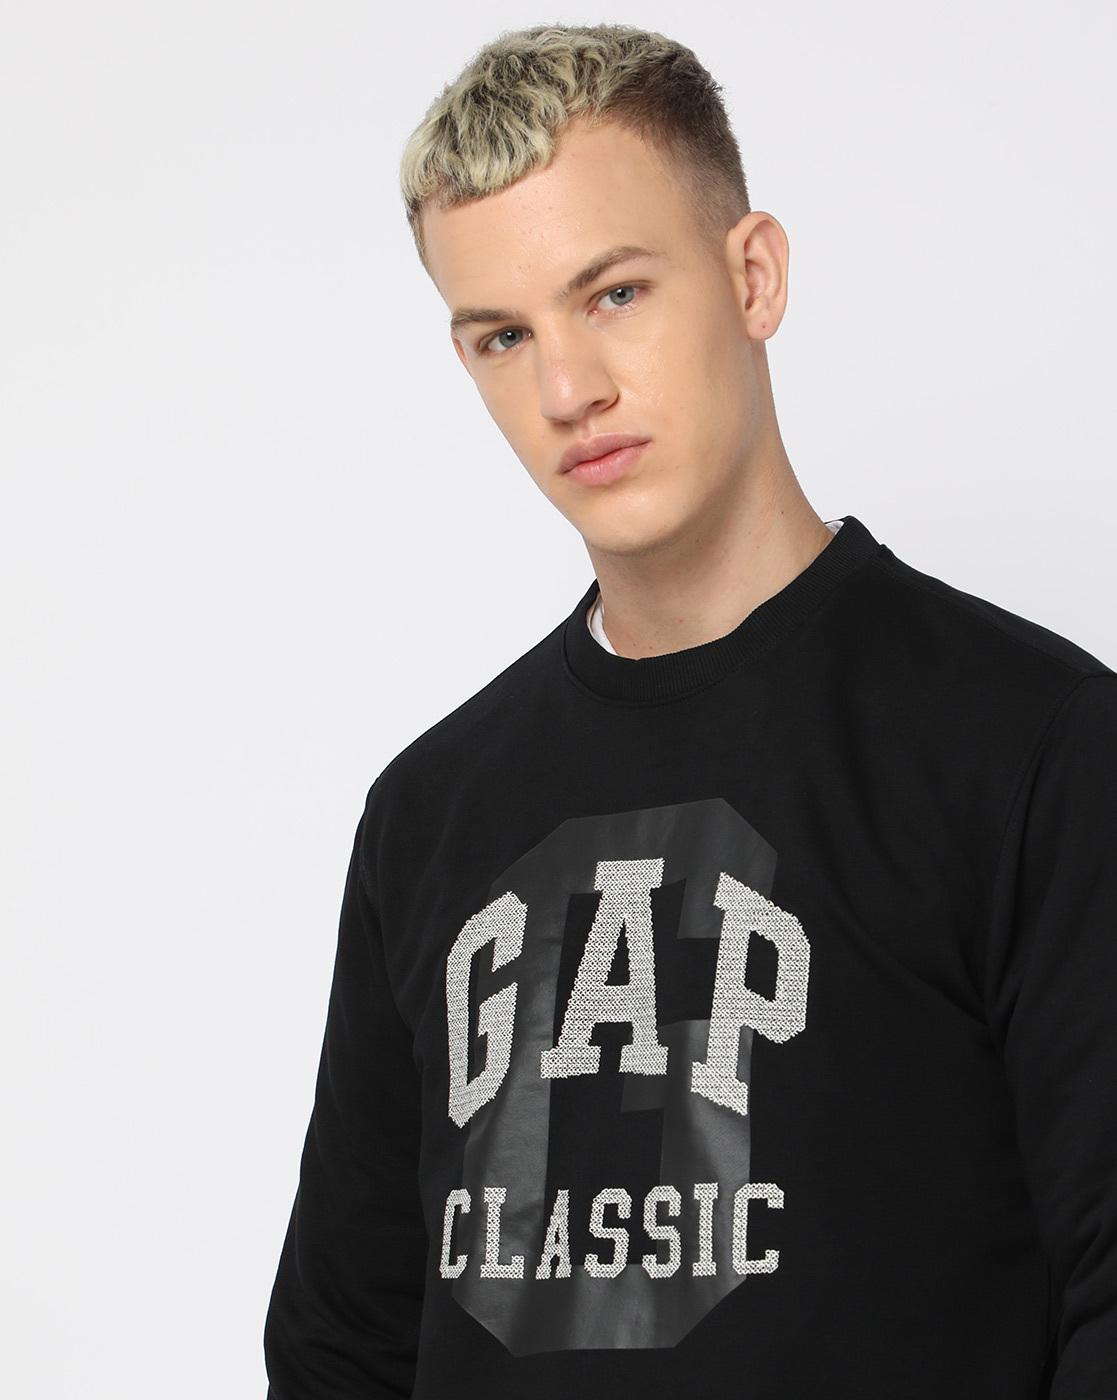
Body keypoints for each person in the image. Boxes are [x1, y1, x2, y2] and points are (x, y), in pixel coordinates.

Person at [262, 22, 1117, 1399]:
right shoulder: (426, 812)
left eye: (612, 293)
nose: (566, 391)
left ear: (751, 275)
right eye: (501, 335)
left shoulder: (1033, 746)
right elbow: (342, 1343)